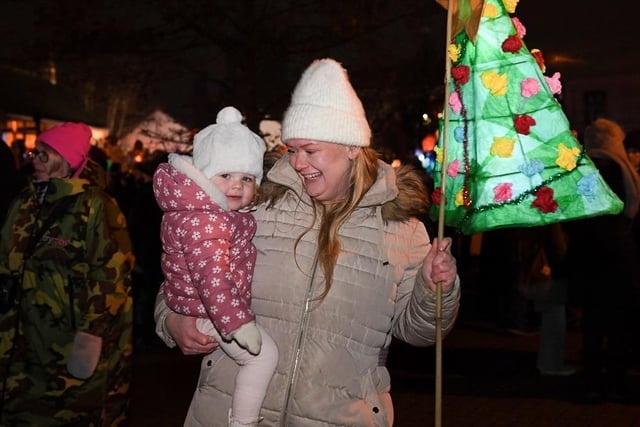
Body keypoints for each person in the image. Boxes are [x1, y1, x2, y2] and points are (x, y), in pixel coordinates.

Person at [154, 58, 461, 426]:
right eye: (292, 149)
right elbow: (186, 270)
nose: (298, 163)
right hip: (229, 410)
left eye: (310, 150)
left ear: (351, 148)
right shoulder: (257, 204)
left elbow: (420, 331)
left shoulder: (403, 230)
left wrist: (435, 289)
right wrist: (171, 320)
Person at [0, 122, 135, 426]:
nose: (33, 159)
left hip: (66, 344)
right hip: (20, 344)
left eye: (43, 155)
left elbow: (112, 280)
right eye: (34, 152)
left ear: (67, 159)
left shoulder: (97, 206)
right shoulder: (26, 201)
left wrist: (91, 339)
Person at [154, 106, 277, 427]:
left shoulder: (209, 212)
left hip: (205, 307)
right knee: (263, 357)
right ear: (204, 177)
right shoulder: (206, 221)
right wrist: (238, 324)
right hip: (209, 311)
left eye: (246, 178)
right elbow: (213, 279)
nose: (237, 186)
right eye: (225, 175)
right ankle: (244, 422)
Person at [565, 118, 640, 402]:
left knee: (594, 321)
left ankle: (594, 377)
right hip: (616, 253)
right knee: (617, 321)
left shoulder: (584, 169)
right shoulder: (620, 170)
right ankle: (614, 378)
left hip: (589, 253)